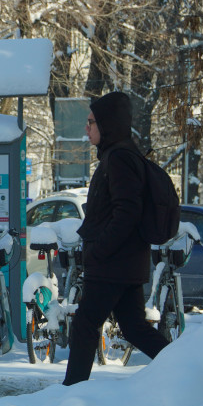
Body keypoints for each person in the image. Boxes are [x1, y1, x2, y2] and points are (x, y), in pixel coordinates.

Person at [63, 91, 170, 386]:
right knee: (134, 327)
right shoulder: (118, 155)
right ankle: (185, 368)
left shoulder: (120, 158)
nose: (87, 128)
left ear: (107, 125)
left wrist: (99, 250)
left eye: (91, 122)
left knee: (85, 324)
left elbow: (127, 212)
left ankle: (71, 393)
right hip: (124, 264)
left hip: (112, 265)